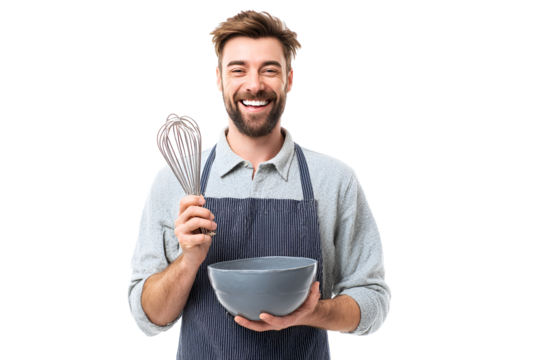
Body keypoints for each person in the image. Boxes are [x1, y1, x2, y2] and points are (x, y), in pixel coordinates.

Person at [127, 7, 391, 359]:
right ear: (219, 78)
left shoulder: (335, 178)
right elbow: (147, 320)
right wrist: (189, 261)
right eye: (239, 70)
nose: (254, 85)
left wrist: (315, 313)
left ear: (289, 79)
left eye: (269, 70)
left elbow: (373, 301)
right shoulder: (173, 181)